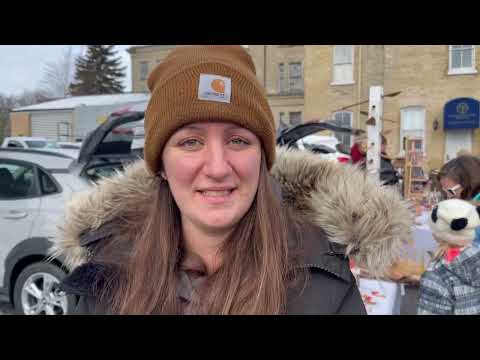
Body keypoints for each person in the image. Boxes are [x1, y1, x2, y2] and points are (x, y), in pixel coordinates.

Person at [52, 45, 411, 315]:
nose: (218, 167)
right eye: (190, 142)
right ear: (160, 162)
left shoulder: (324, 279)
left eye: (238, 140)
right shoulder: (107, 274)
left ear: (262, 159)